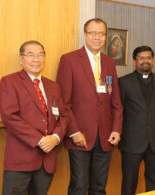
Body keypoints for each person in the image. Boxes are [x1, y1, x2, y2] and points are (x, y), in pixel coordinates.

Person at [56, 18, 123, 195]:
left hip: (105, 136)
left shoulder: (109, 62)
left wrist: (116, 129)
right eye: (93, 33)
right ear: (85, 35)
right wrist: (74, 131)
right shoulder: (69, 60)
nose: (97, 37)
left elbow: (115, 101)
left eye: (101, 34)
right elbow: (64, 102)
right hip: (80, 136)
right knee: (78, 187)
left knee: (99, 188)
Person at [0, 40, 67, 195]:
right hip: (20, 159)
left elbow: (62, 115)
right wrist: (40, 139)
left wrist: (55, 137)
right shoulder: (10, 82)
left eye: (40, 54)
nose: (36, 59)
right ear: (21, 59)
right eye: (30, 55)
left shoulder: (53, 86)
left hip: (46, 160)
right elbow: (9, 116)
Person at [118, 46, 155, 195]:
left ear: (153, 60)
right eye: (141, 58)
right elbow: (118, 110)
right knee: (129, 183)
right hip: (131, 142)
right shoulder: (123, 82)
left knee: (154, 182)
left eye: (148, 58)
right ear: (134, 62)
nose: (145, 61)